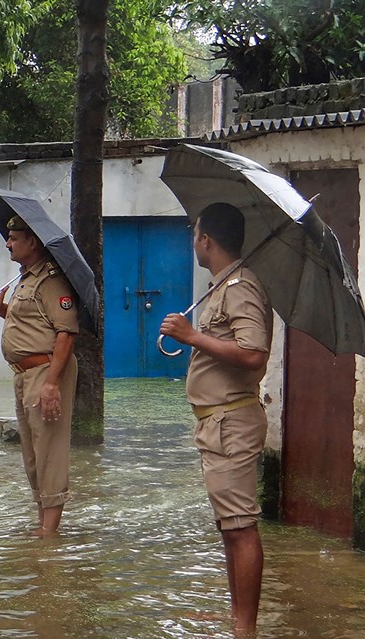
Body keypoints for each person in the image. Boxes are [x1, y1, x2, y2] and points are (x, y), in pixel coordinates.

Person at [160, 202, 271, 635]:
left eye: (195, 235)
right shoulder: (221, 286)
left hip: (231, 424)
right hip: (216, 423)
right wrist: (194, 336)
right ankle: (237, 618)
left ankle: (245, 629)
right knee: (231, 527)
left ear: (206, 240)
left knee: (241, 527)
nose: (194, 242)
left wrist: (193, 337)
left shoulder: (240, 287)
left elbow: (253, 354)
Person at [0, 214, 79, 537]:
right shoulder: (25, 280)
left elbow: (66, 333)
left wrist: (51, 384)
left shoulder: (51, 281)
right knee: (32, 453)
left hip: (46, 371)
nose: (7, 243)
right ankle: (42, 522)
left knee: (49, 449)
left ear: (32, 242)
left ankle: (50, 532)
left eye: (14, 238)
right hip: (24, 374)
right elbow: (33, 324)